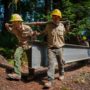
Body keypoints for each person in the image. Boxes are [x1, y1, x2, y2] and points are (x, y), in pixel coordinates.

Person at [35, 9, 66, 88]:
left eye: (57, 17)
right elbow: (43, 33)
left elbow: (65, 34)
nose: (55, 18)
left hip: (60, 47)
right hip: (51, 48)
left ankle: (61, 74)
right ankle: (50, 81)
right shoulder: (48, 26)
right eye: (54, 16)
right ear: (52, 17)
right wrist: (37, 33)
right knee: (51, 64)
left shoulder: (62, 26)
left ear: (59, 18)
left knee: (60, 62)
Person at [5, 13, 34, 80]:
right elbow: (10, 31)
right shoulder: (14, 28)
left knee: (31, 60)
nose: (13, 23)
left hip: (29, 45)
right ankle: (17, 74)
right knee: (16, 55)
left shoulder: (28, 28)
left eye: (14, 22)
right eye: (12, 22)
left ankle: (31, 75)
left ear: (19, 22)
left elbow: (33, 36)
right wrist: (7, 27)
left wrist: (34, 35)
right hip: (21, 44)